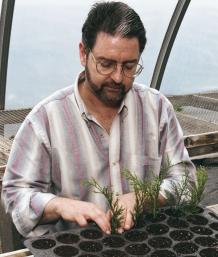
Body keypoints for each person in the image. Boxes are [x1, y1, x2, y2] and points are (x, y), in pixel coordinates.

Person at [2, 1, 196, 238]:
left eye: (129, 66)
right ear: (84, 53)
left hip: (145, 242)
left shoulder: (157, 109)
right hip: (76, 246)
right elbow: (15, 196)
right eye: (106, 64)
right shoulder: (45, 121)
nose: (117, 77)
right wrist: (58, 205)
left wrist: (147, 196)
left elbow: (185, 179)